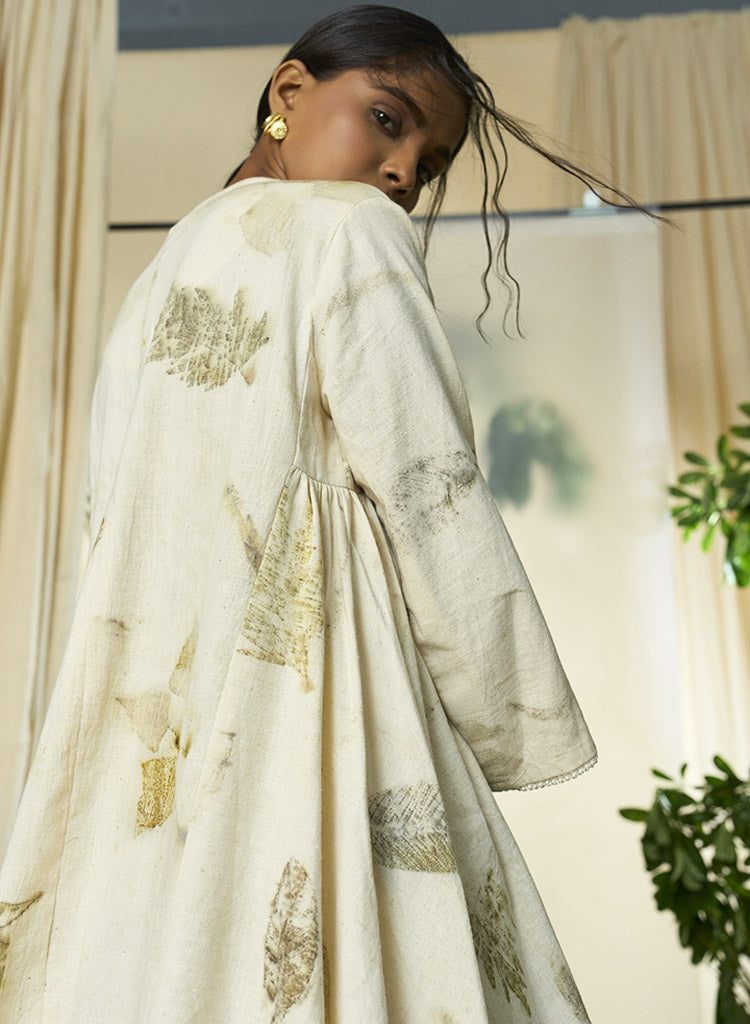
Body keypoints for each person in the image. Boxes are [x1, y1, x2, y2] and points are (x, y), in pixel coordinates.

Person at [0, 6, 618, 1021]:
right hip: (319, 693)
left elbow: (114, 516)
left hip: (154, 725)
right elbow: (429, 486)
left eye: (429, 160)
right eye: (388, 119)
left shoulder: (161, 271)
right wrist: (512, 716)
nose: (403, 171)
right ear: (289, 93)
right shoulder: (349, 228)